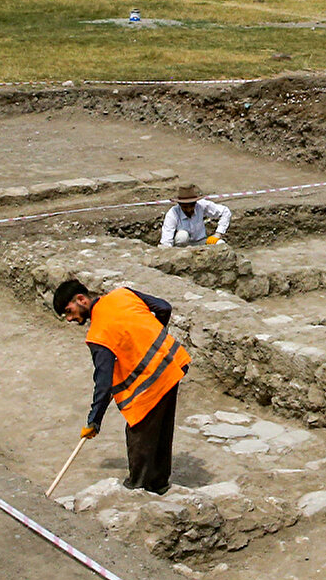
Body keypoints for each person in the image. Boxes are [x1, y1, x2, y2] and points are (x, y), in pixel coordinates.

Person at [52, 279, 190, 494]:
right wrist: (152, 333)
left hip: (150, 382)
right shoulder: (122, 295)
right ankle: (159, 484)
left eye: (69, 311)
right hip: (173, 363)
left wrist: (94, 420)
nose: (70, 318)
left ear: (81, 299)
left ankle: (139, 487)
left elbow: (104, 383)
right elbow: (164, 307)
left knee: (139, 434)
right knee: (161, 428)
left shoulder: (98, 333)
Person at [159, 183, 233, 247]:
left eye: (191, 206)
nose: (189, 209)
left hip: (201, 242)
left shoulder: (201, 205)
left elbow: (225, 211)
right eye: (185, 207)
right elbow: (166, 241)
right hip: (181, 247)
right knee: (182, 236)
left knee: (220, 244)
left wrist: (218, 234)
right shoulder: (172, 214)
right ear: (179, 204)